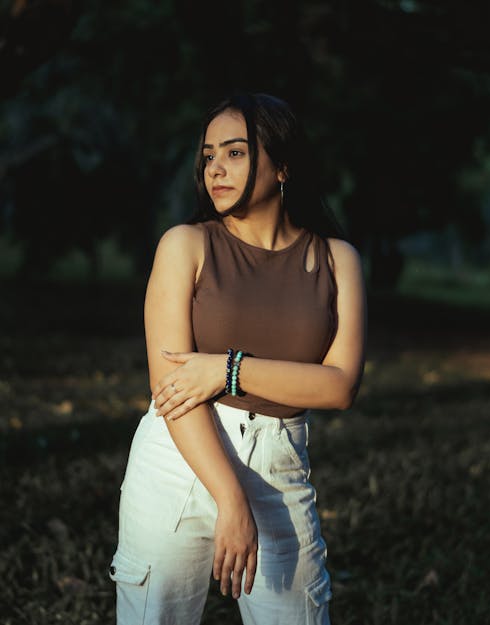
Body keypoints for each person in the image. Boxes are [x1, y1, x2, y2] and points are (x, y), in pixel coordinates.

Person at [109, 92, 366, 625]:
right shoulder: (185, 245)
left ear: (283, 167)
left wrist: (227, 368)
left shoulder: (337, 260)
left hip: (280, 467)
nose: (215, 170)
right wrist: (230, 499)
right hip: (177, 463)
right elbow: (173, 390)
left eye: (235, 153)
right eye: (208, 156)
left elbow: (339, 386)